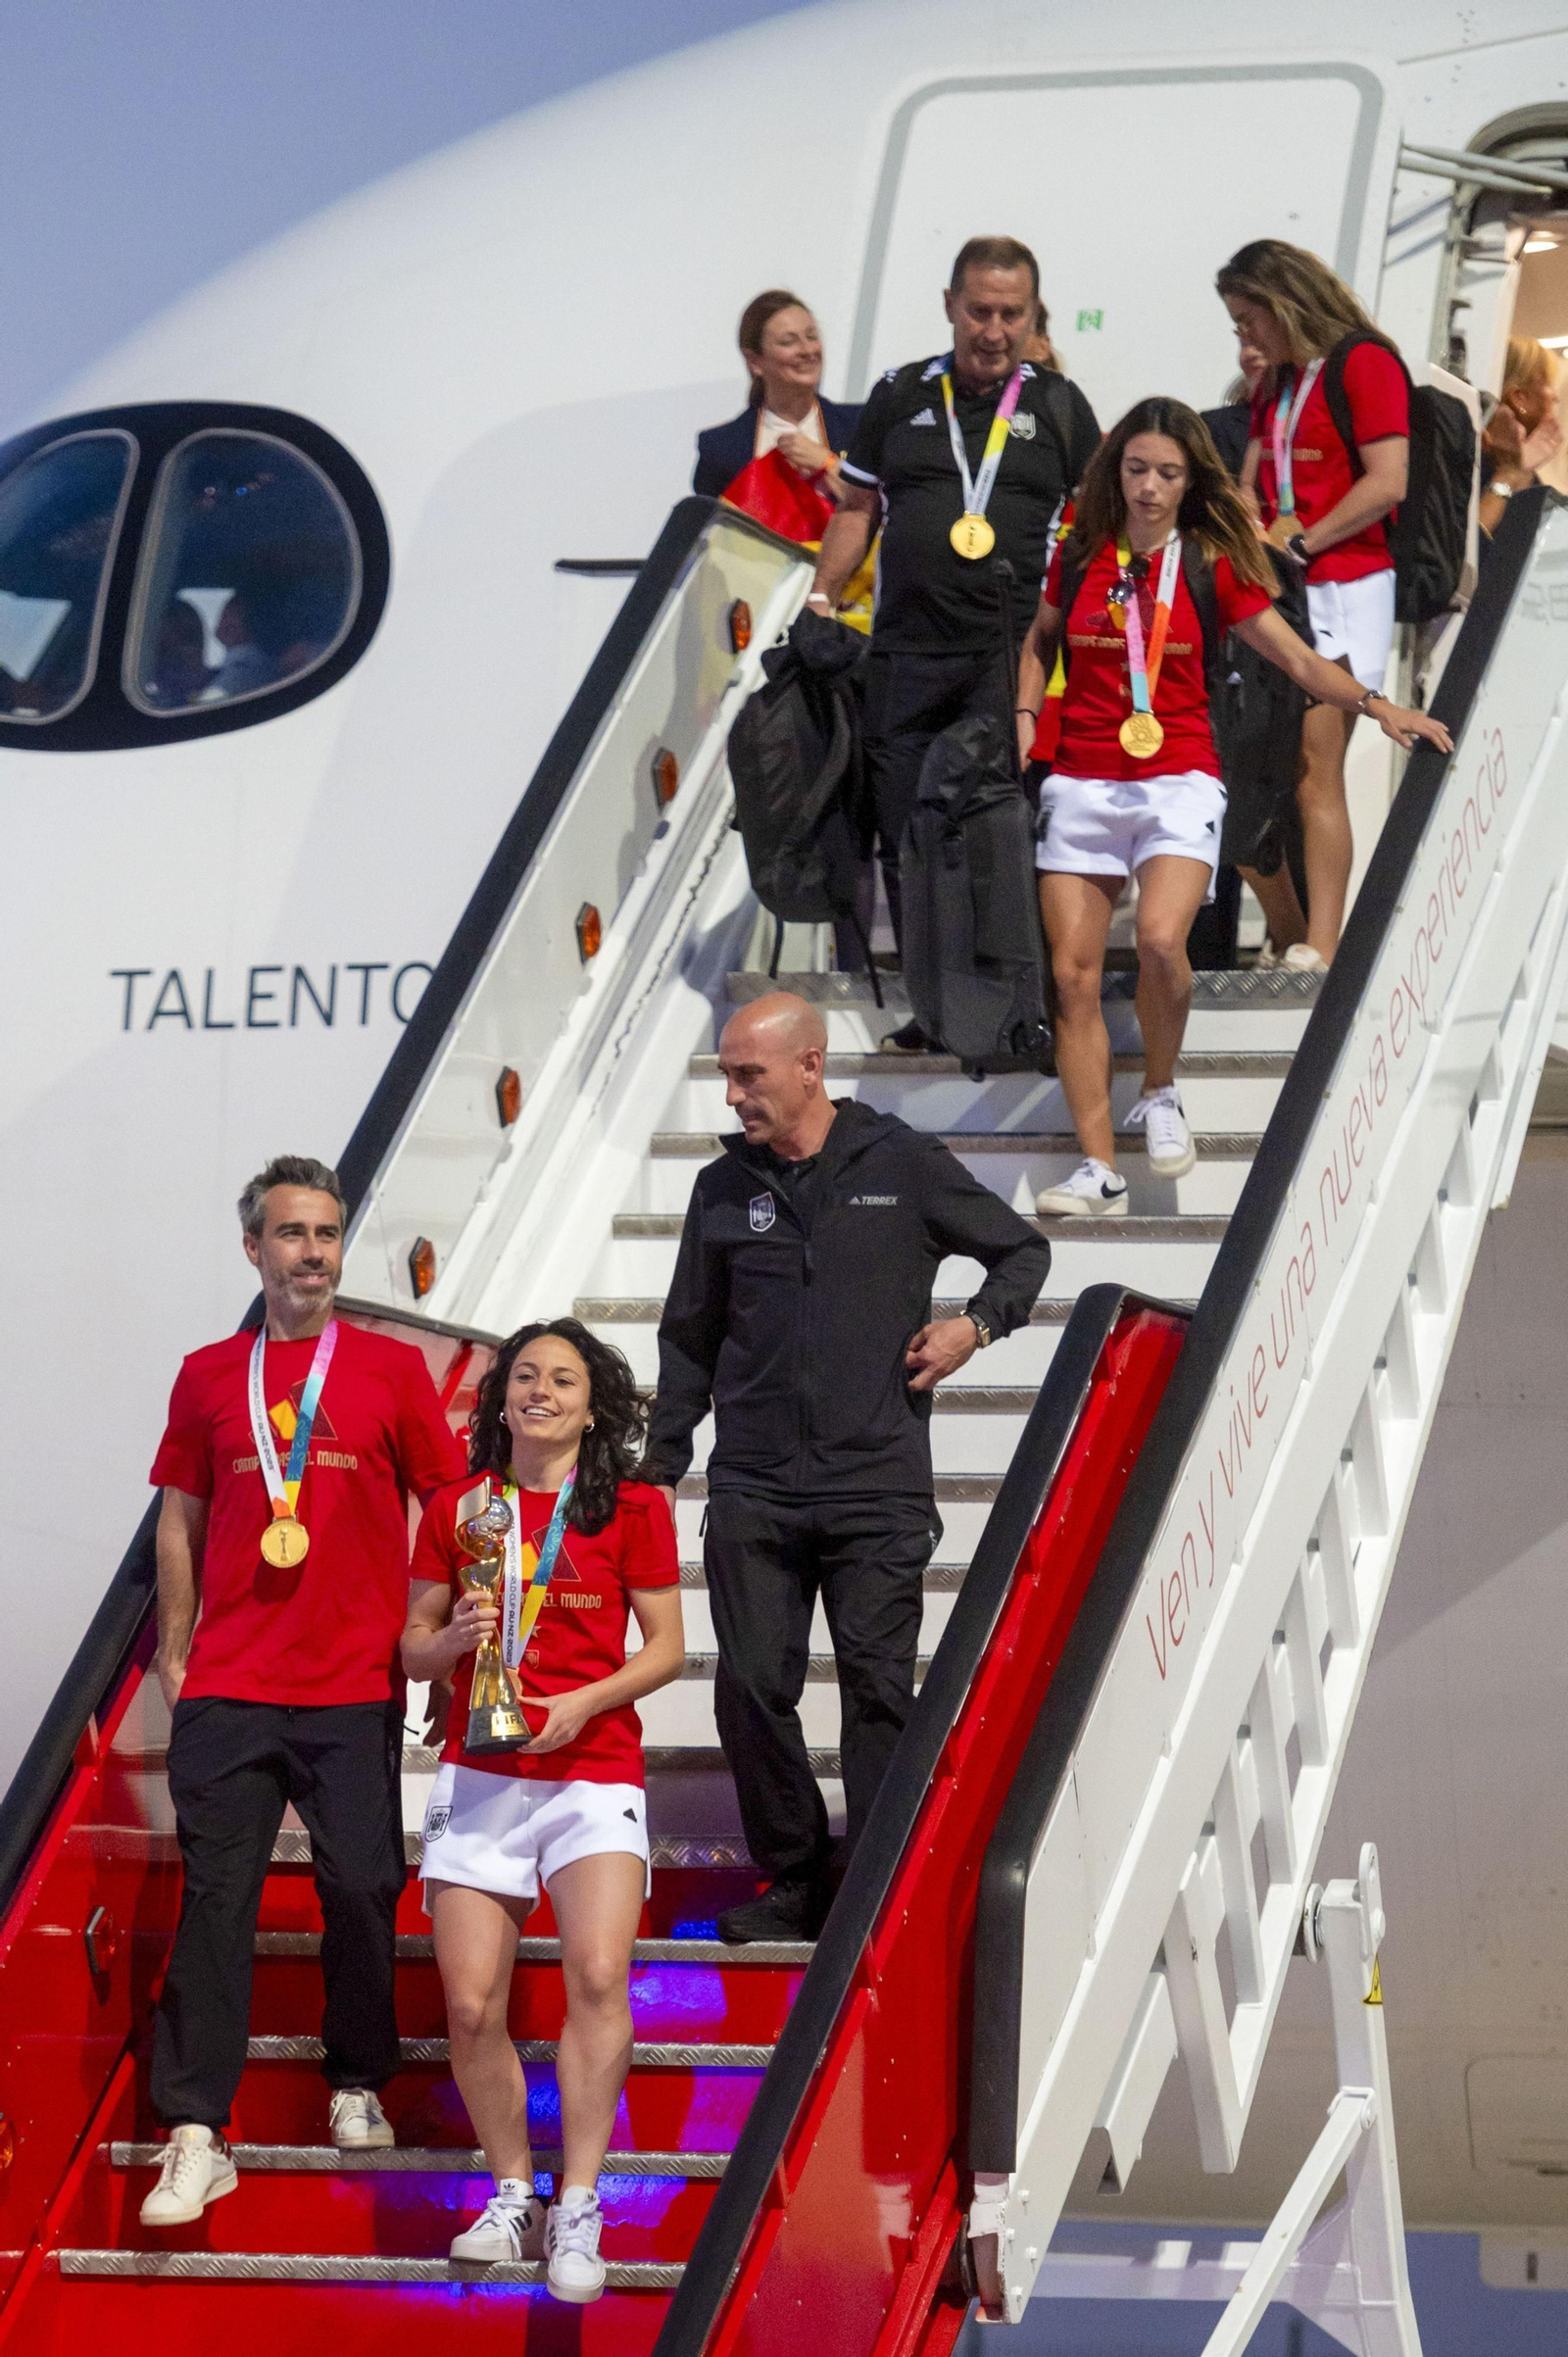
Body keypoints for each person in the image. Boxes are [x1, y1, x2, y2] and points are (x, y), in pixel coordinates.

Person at [642, 992, 1051, 1941]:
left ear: (810, 1066)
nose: (732, 1090)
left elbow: (1021, 1251)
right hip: (752, 1486)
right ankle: (790, 1875)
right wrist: (661, 1464)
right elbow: (689, 1338)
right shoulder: (720, 1187)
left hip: (875, 1482)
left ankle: (871, 1886)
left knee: (876, 1689)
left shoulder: (898, 1161)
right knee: (747, 1685)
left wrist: (972, 1326)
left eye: (749, 1072)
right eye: (727, 1072)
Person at [1016, 400, 1452, 1217]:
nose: (1149, 488)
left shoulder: (1213, 560)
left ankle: (1159, 1087)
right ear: (1117, 471)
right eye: (1137, 469)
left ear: (1192, 483)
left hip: (1177, 772)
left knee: (1157, 939)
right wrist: (1024, 716)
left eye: (1168, 474)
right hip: (1081, 775)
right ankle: (1099, 1165)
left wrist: (1378, 704)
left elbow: (1295, 657)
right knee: (1073, 977)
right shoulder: (1080, 554)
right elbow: (1042, 640)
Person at [140, 1155, 465, 2228]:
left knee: (364, 1883)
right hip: (230, 1683)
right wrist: (179, 1653)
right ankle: (196, 2128)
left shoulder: (388, 1370)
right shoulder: (203, 1373)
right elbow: (180, 1518)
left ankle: (357, 2080)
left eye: (326, 1233)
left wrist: (421, 1624)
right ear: (255, 1249)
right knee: (218, 1900)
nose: (312, 1252)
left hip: (349, 1681)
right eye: (291, 1233)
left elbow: (448, 1501)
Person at [402, 1319, 684, 2303]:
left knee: (600, 1971)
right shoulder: (459, 1506)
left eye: (562, 1378)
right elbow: (413, 1645)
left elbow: (665, 1646)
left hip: (592, 1767)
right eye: (525, 1374)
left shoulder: (634, 1506)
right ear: (502, 1395)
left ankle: (579, 2202)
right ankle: (511, 2191)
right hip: (480, 1773)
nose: (541, 1390)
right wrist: (451, 1644)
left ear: (590, 1404)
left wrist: (584, 1702)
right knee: (471, 2002)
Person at [805, 235, 1101, 1033]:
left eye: (1012, 313)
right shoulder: (900, 395)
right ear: (949, 306)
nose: (994, 330)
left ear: (1034, 315)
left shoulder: (1061, 408)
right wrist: (821, 598)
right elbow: (858, 508)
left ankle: (1017, 1005)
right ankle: (932, 1008)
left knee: (996, 833)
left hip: (1005, 661)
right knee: (909, 833)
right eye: (980, 311)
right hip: (904, 654)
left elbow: (1099, 526)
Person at [1216, 237, 1414, 971]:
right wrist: (1245, 532)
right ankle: (1290, 925)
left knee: (1313, 762)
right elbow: (1251, 477)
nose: (1244, 337)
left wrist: (1303, 541)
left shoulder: (1365, 361)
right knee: (1248, 763)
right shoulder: (1281, 381)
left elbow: (1386, 481)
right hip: (1282, 582)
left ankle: (1322, 945)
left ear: (1282, 302)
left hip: (1345, 581)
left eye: (1247, 319)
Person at [694, 290, 862, 502]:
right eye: (788, 342)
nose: (807, 349)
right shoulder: (721, 448)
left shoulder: (862, 424)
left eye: (811, 337)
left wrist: (827, 463)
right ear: (754, 361)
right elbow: (711, 530)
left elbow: (891, 511)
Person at [1480, 336, 1563, 538]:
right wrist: (1510, 475)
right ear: (1520, 397)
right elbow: (1466, 549)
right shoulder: (1475, 460)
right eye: (1549, 384)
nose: (1555, 397)